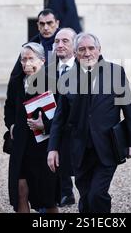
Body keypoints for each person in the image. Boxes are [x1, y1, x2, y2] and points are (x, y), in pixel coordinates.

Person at [47, 33, 131, 213]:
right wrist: (53, 148)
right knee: (85, 197)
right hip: (79, 149)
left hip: (107, 146)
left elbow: (128, 108)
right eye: (82, 49)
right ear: (75, 53)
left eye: (91, 48)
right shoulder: (66, 79)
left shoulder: (115, 72)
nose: (87, 53)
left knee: (97, 194)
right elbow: (59, 117)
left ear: (99, 50)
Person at [5, 42, 60, 213]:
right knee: (21, 190)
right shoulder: (16, 82)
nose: (26, 63)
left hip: (43, 146)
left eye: (30, 59)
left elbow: (62, 114)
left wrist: (46, 125)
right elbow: (9, 107)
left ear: (42, 61)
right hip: (21, 145)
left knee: (47, 198)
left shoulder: (53, 82)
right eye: (23, 59)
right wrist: (11, 124)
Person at [51, 28, 77, 207]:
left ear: (75, 45)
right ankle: (65, 193)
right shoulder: (47, 70)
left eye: (65, 41)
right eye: (57, 41)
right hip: (53, 125)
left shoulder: (84, 69)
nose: (60, 45)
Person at [10, 9, 60, 78]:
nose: (45, 28)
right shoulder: (31, 46)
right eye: (42, 24)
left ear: (57, 24)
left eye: (49, 23)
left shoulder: (68, 44)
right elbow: (16, 75)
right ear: (38, 26)